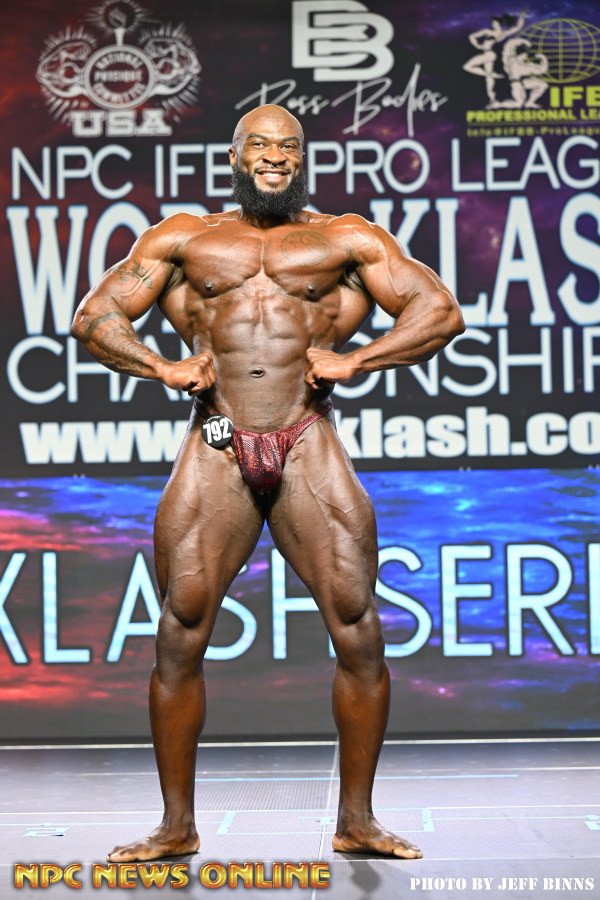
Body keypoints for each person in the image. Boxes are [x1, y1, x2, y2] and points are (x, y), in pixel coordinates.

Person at [71, 104, 464, 862]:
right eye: (261, 145)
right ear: (235, 155)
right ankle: (176, 826)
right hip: (215, 440)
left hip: (306, 436)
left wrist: (358, 359)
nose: (275, 156)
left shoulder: (346, 237)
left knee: (359, 627)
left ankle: (356, 821)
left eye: (289, 146)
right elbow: (96, 316)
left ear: (302, 159)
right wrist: (162, 367)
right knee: (180, 631)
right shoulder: (184, 237)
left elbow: (439, 311)